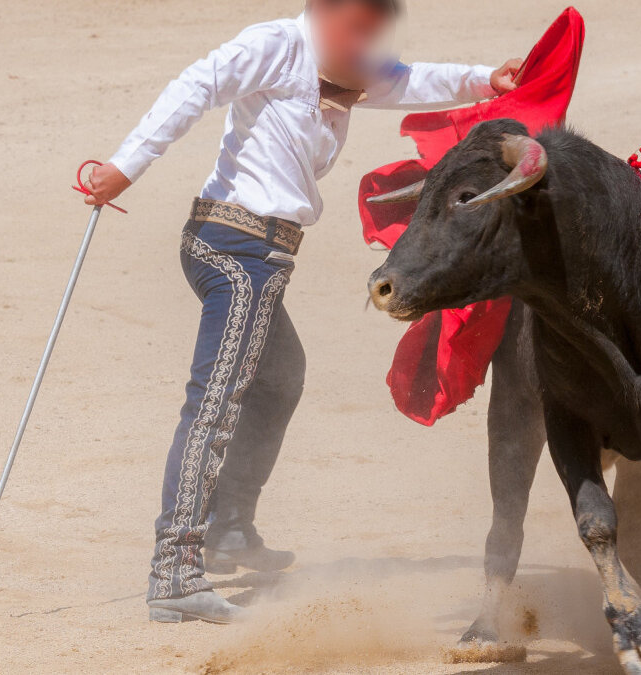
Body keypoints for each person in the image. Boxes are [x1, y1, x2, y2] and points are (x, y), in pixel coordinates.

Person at [83, 0, 521, 624]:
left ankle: (230, 527)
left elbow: (408, 80)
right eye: (359, 27)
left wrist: (484, 79)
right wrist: (124, 169)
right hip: (238, 251)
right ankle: (174, 573)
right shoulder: (277, 45)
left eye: (376, 30)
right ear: (322, 12)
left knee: (280, 377)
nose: (369, 42)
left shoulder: (349, 64)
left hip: (259, 254)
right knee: (215, 401)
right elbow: (197, 83)